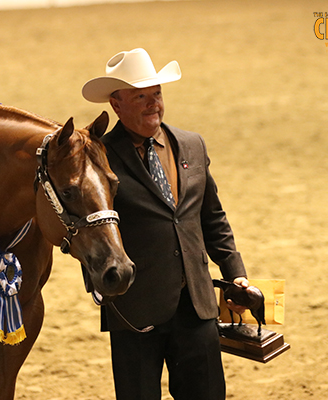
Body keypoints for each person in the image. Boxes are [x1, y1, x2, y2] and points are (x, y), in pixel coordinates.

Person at [81, 48, 250, 400]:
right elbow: (88, 225)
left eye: (156, 94)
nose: (152, 104)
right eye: (140, 96)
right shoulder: (100, 155)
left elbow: (212, 216)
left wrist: (235, 272)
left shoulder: (191, 144)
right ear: (116, 103)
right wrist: (98, 282)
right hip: (134, 308)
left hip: (197, 305)